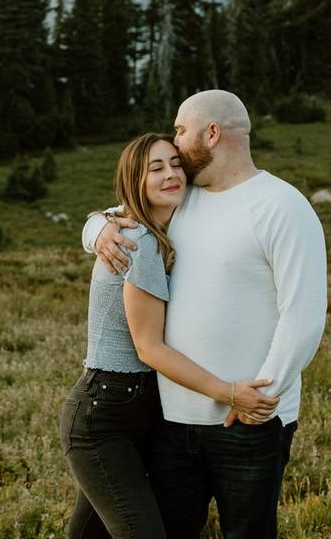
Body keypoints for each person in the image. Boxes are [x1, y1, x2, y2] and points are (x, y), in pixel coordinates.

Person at [82, 90, 327, 538]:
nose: (175, 143)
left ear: (211, 133)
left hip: (249, 421)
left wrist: (258, 401)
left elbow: (304, 314)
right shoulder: (184, 197)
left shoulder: (281, 206)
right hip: (172, 421)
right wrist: (96, 230)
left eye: (180, 129)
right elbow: (115, 215)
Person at [59, 133, 280, 539]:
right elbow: (149, 347)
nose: (171, 174)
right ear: (136, 182)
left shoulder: (169, 226)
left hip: (143, 413)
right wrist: (227, 391)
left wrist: (95, 226)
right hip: (105, 414)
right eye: (155, 168)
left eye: (176, 164)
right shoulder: (138, 241)